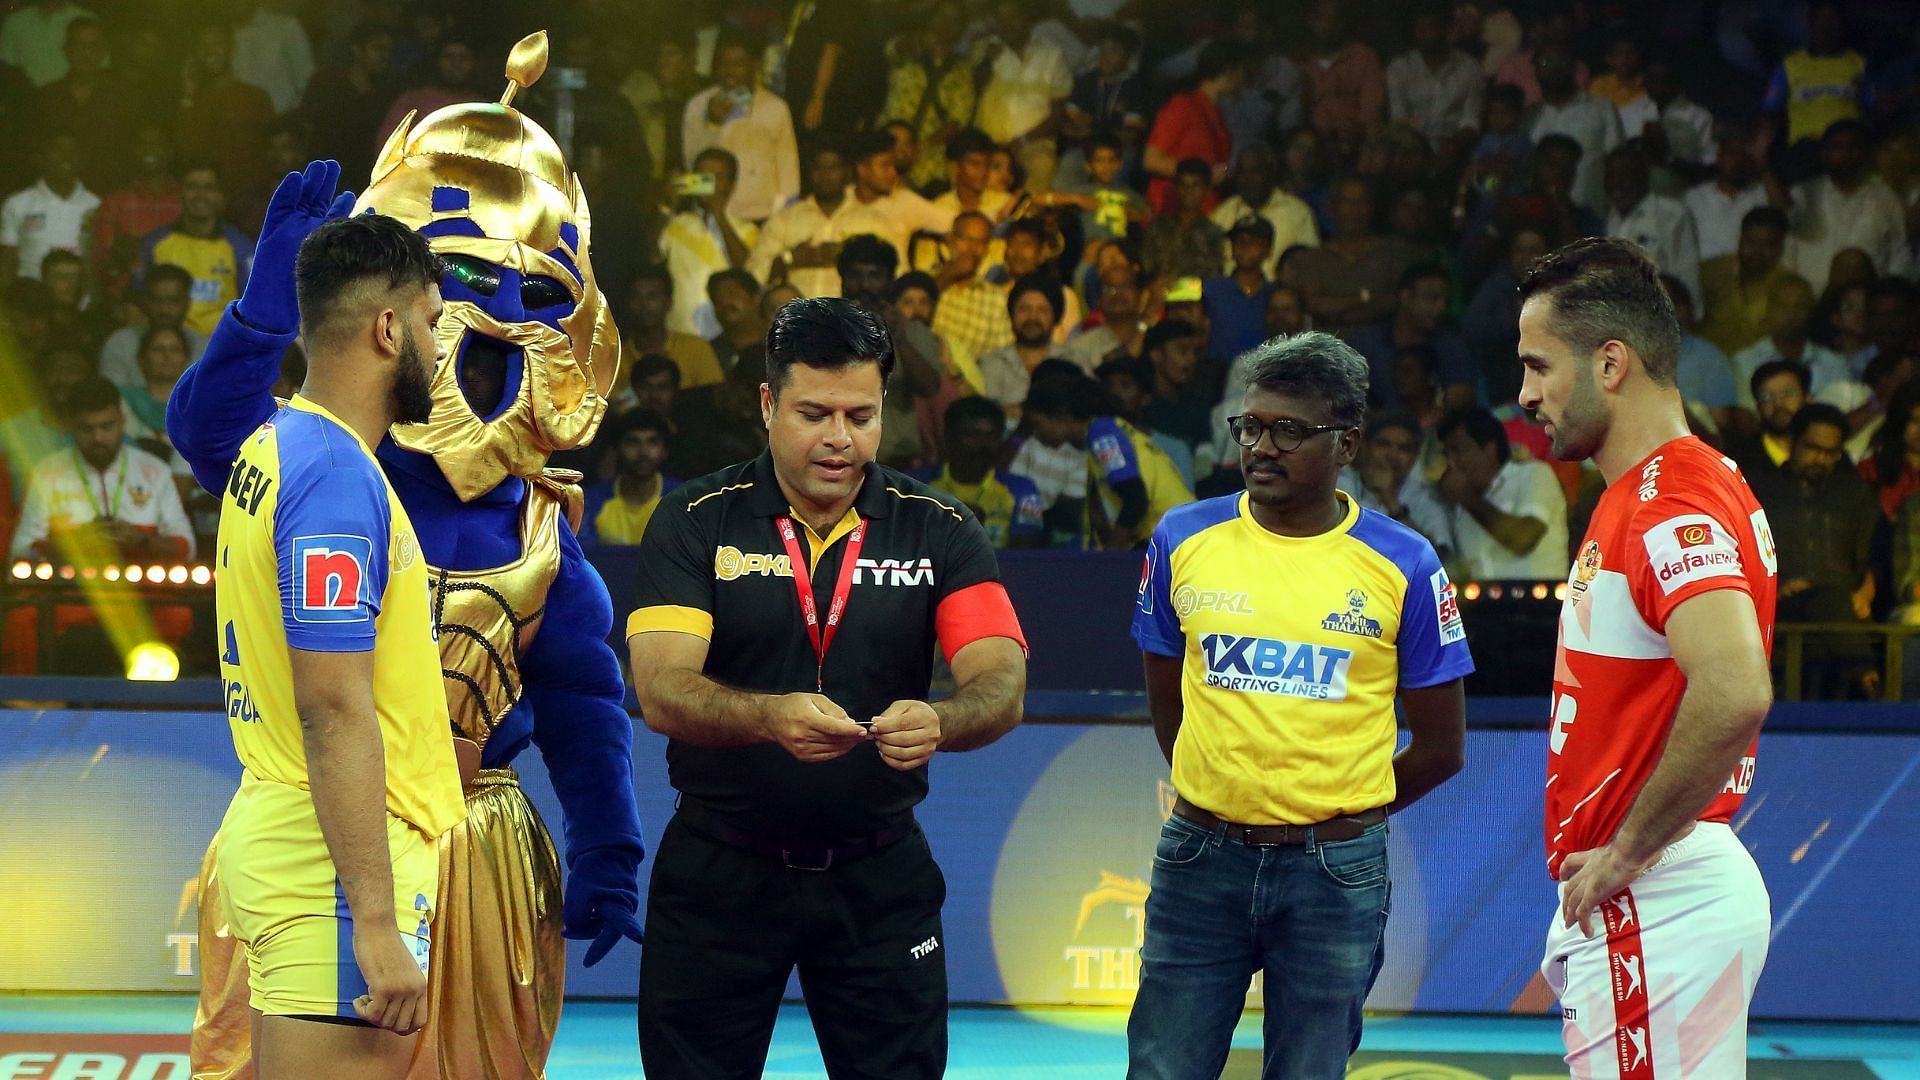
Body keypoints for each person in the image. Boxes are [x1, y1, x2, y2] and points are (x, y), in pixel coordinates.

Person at [626, 295, 1028, 1079]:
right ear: (769, 404)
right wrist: (768, 717)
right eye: (814, 413)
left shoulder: (940, 527)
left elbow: (1002, 681)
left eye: (861, 415)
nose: (840, 439)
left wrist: (942, 719)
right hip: (719, 872)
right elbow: (662, 688)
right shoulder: (694, 521)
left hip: (879, 878)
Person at [1127, 330, 1470, 1078]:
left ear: (1346, 442)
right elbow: (1167, 704)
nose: (1262, 446)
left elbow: (1443, 749)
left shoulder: (1406, 563)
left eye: (1290, 430)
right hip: (1197, 857)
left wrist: (1343, 814)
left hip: (1334, 875)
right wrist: (1222, 791)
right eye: (1251, 426)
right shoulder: (1182, 536)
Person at [194, 212, 464, 1077]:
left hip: (300, 847)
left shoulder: (276, 444)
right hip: (331, 871)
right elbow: (334, 707)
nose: (439, 346)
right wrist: (375, 923)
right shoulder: (337, 476)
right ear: (388, 328)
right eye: (431, 323)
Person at [1514, 237, 1776, 1073]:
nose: (1526, 396)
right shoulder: (1660, 490)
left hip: (1655, 896)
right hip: (1663, 897)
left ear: (1612, 364)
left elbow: (1736, 689)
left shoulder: (1671, 497)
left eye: (1539, 366)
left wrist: (1625, 855)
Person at [9, 374, 191, 562]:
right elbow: (20, 550)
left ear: (122, 420)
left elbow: (188, 548)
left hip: (145, 588)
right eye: (87, 429)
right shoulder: (46, 474)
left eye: (106, 426)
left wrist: (142, 541)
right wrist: (70, 546)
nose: (98, 438)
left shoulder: (155, 471)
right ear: (71, 425)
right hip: (67, 589)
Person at [1022, 371, 1192, 549]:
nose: (1035, 434)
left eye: (1036, 424)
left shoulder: (1101, 433)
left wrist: (1112, 553)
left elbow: (1135, 498)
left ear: (1060, 415)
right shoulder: (1105, 432)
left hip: (1177, 540)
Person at [1435, 405, 1569, 581]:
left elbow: (1523, 539)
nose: (1451, 463)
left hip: (1540, 606)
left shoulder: (1534, 474)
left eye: (1459, 450)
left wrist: (1467, 498)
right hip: (1484, 608)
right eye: (1447, 454)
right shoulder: (1461, 509)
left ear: (1490, 448)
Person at [1779, 120, 1912, 294]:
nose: (1846, 154)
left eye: (1854, 147)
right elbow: (1788, 246)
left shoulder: (1886, 196)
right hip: (1810, 302)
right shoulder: (1803, 192)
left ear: (1866, 152)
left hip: (1867, 306)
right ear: (1824, 154)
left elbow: (1899, 251)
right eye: (1838, 147)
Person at [682, 34, 798, 225]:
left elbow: (788, 169)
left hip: (762, 217)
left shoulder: (776, 107)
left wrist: (783, 218)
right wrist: (713, 124)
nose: (730, 72)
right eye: (724, 64)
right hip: (714, 217)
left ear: (755, 65)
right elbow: (692, 167)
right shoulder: (698, 105)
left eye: (738, 64)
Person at [137, 163, 253, 336]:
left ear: (220, 196)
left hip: (218, 349)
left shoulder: (241, 247)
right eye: (192, 187)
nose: (200, 195)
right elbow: (135, 301)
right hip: (166, 349)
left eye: (209, 188)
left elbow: (254, 308)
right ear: (180, 192)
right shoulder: (155, 242)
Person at [916, 395, 1046, 548]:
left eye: (991, 435)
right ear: (948, 438)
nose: (983, 445)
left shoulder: (1024, 491)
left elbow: (1026, 555)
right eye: (972, 435)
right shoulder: (915, 486)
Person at [657, 146, 758, 339]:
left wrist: (719, 216)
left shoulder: (747, 230)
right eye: (703, 176)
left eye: (717, 177)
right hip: (681, 330)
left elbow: (748, 269)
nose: (708, 184)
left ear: (731, 185)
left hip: (727, 334)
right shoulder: (676, 224)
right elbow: (652, 254)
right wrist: (666, 205)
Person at [975, 0, 1074, 194]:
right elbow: (974, 89)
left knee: (1042, 165)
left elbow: (1059, 112)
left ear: (1027, 20)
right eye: (1001, 19)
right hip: (988, 143)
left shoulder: (1052, 55)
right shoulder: (984, 49)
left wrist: (1023, 140)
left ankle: (1030, 221)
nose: (1007, 24)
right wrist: (987, 60)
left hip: (1033, 143)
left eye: (1013, 18)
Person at [1349, 262, 1476, 411]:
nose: (1441, 307)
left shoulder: (1451, 344)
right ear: (1406, 297)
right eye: (1432, 299)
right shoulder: (1368, 344)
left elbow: (1460, 399)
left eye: (1444, 301)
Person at [1142, 40, 1242, 216]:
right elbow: (1152, 160)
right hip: (1174, 208)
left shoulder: (1217, 112)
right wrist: (1204, 174)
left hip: (1204, 209)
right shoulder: (1183, 106)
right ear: (1228, 72)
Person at [1338, 408, 1453, 558]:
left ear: (1414, 456)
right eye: (1384, 444)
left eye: (1403, 449)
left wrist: (1391, 501)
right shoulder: (1337, 486)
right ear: (1365, 447)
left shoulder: (1427, 501)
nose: (1392, 455)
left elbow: (1438, 561)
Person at [748, 141, 855, 301]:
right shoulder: (784, 220)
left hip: (851, 320)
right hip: (796, 320)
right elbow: (753, 276)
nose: (825, 175)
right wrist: (790, 258)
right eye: (818, 168)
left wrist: (849, 256)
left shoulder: (873, 221)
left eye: (832, 168)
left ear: (847, 173)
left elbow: (894, 275)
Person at [1529, 42, 1623, 216]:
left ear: (1573, 65)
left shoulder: (1601, 108)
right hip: (1539, 221)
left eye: (1560, 61)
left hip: (1593, 220)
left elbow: (1618, 166)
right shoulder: (1530, 116)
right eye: (1544, 62)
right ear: (1534, 69)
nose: (1553, 68)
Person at [1603, 144, 1701, 307]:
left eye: (1624, 176)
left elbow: (1688, 276)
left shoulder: (1672, 214)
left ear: (1643, 175)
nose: (1616, 184)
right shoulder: (1609, 219)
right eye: (1611, 177)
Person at [1696, 206, 1798, 358]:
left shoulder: (1792, 288)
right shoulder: (1708, 273)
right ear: (1740, 239)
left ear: (1781, 247)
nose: (1757, 251)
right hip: (1707, 366)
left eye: (1768, 245)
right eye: (1751, 242)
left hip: (1762, 370)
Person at [1207, 144, 1318, 280]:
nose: (1248, 179)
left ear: (1270, 173)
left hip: (1279, 295)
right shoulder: (1224, 212)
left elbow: (1311, 266)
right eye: (1242, 172)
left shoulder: (1297, 213)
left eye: (1255, 171)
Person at [0, 131, 97, 287]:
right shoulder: (17, 203)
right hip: (31, 304)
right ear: (40, 159)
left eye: (73, 151)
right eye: (57, 150)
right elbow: (6, 262)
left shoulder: (97, 205)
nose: (66, 156)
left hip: (82, 305)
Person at [582, 408, 679, 544]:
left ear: (665, 451)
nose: (643, 452)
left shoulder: (681, 500)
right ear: (617, 449)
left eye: (652, 442)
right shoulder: (592, 501)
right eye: (633, 442)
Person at [624, 265, 724, 390]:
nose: (644, 305)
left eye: (652, 296)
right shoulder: (616, 358)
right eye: (636, 297)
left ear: (668, 302)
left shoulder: (695, 349)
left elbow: (716, 397)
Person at [978, 272, 1065, 408]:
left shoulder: (1073, 361)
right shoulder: (992, 363)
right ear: (1011, 314)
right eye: (1024, 309)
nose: (1032, 318)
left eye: (1042, 310)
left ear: (1056, 317)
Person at [1140, 158, 1227, 284]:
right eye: (1183, 185)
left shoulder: (1214, 233)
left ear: (1207, 190)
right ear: (1176, 188)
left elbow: (1214, 274)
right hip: (1160, 295)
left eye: (1196, 186)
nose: (1189, 191)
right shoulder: (1158, 226)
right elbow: (1146, 266)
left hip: (1197, 299)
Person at [1201, 216, 1274, 363]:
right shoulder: (1209, 289)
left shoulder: (1276, 294)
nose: (1246, 246)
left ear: (1268, 250)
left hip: (1264, 374)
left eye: (1254, 242)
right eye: (1240, 241)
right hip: (1218, 374)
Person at [1683, 137, 1767, 264]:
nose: (1739, 161)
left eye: (1745, 155)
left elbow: (1787, 215)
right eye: (1733, 153)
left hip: (1749, 275)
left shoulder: (1762, 194)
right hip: (1701, 274)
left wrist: (1764, 166)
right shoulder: (1694, 197)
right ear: (1720, 157)